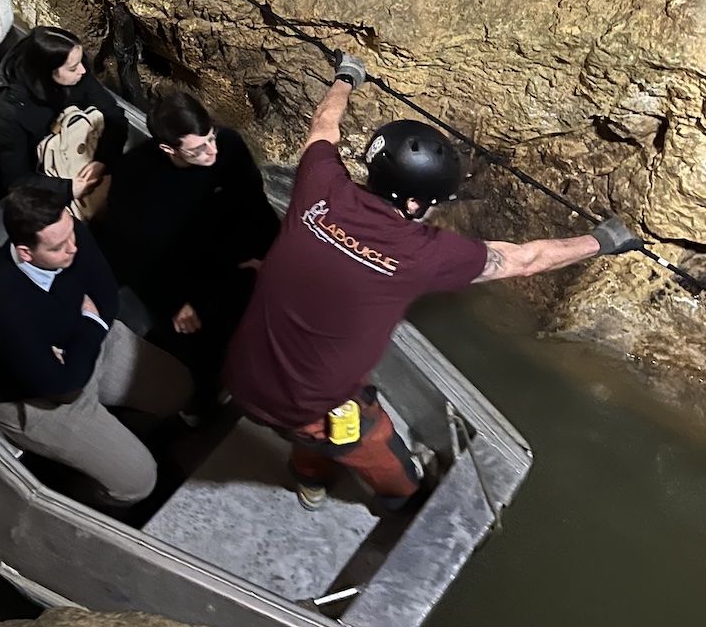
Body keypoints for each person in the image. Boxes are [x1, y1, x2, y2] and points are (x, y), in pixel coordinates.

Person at [225, 53, 647, 511]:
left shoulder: (319, 186)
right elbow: (525, 260)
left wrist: (347, 75)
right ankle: (393, 501)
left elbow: (323, 125)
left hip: (242, 373)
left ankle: (309, 479)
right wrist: (602, 241)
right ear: (411, 203)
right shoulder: (420, 254)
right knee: (390, 467)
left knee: (303, 429)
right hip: (308, 406)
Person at [0, 182, 192, 509]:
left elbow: (106, 295)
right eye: (58, 247)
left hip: (84, 345)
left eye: (71, 234)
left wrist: (88, 330)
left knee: (179, 388)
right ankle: (77, 497)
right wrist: (90, 321)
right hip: (36, 401)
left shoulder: (67, 234)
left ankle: (114, 433)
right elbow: (65, 389)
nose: (73, 248)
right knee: (139, 482)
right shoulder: (1, 307)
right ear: (26, 253)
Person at [101, 89, 278, 393]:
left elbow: (253, 202)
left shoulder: (229, 145)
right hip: (176, 270)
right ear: (168, 149)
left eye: (211, 138)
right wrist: (175, 302)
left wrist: (270, 254)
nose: (212, 152)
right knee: (199, 339)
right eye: (198, 149)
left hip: (230, 249)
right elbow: (136, 254)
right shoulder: (134, 176)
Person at [0, 25, 127, 194]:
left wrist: (102, 160)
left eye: (80, 62)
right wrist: (68, 189)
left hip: (86, 157)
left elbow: (114, 116)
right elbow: (16, 178)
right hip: (50, 183)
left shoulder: (78, 75)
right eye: (72, 68)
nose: (83, 70)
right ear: (47, 72)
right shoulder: (9, 111)